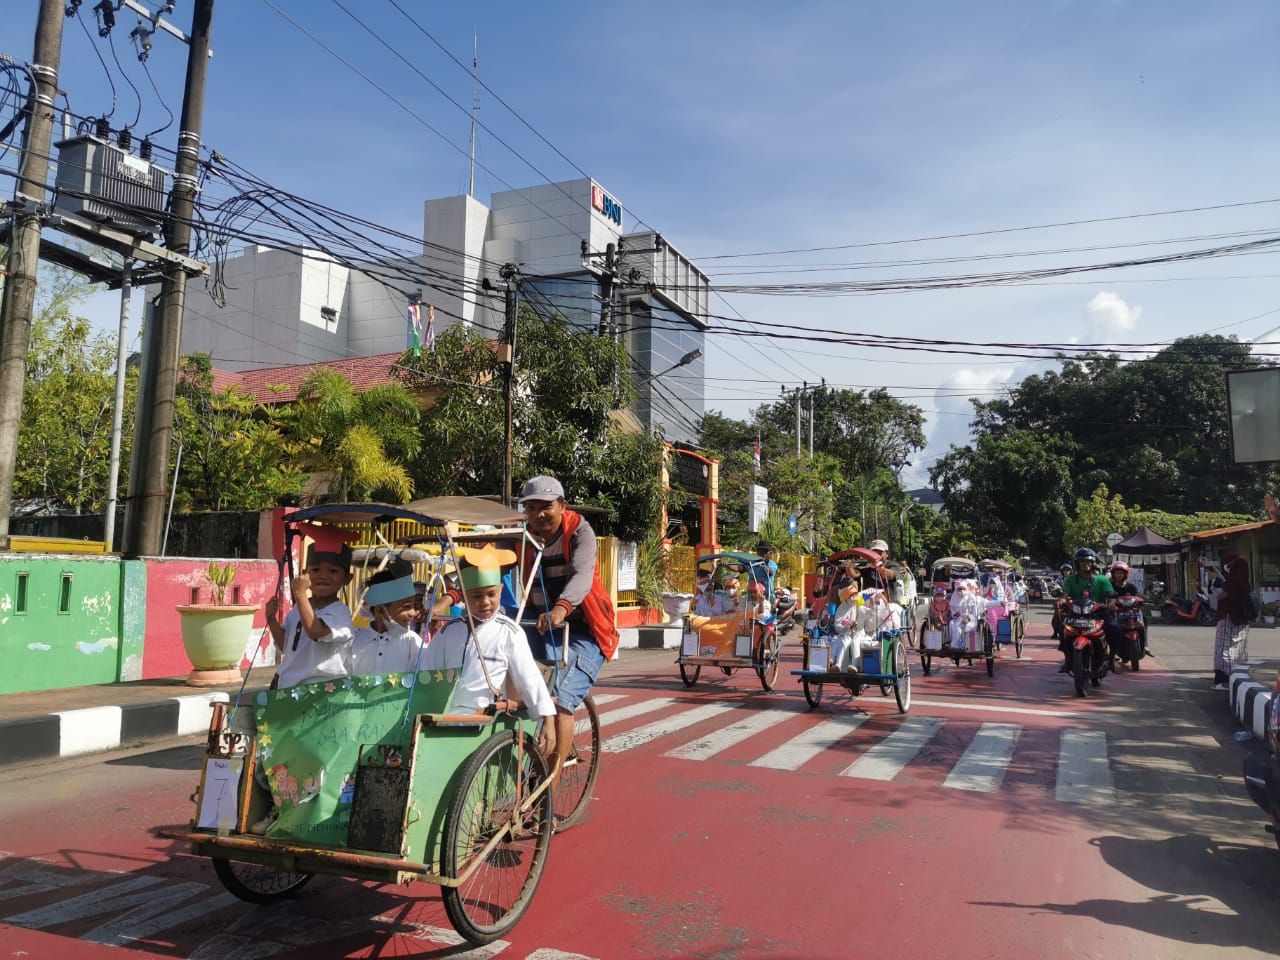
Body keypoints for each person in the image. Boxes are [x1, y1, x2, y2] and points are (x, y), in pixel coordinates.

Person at [519, 475, 618, 775]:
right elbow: (487, 563)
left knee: (559, 701)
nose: (539, 515)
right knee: (511, 686)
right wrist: (452, 596)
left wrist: (562, 607)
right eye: (531, 508)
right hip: (540, 626)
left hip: (584, 632)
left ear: (561, 505)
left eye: (546, 507)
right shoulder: (522, 536)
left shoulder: (579, 533)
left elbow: (582, 574)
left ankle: (549, 795)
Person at [422, 545, 556, 756]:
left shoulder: (509, 632)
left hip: (482, 723)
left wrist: (547, 719)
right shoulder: (448, 632)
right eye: (476, 596)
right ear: (464, 596)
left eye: (491, 594)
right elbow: (426, 674)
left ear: (501, 591)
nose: (485, 602)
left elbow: (529, 679)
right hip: (442, 720)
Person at [266, 542, 356, 689]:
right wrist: (271, 620)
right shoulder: (298, 609)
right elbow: (285, 645)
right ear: (304, 574)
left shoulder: (340, 612)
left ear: (347, 579)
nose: (323, 576)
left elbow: (316, 632)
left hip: (319, 689)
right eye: (315, 570)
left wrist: (299, 594)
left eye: (333, 571)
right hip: (287, 685)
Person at [351, 566, 425, 676]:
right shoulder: (354, 640)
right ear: (380, 610)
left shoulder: (413, 642)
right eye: (406, 606)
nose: (413, 613)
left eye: (413, 606)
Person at [1055, 547, 1115, 672]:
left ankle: (1111, 658)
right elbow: (1064, 596)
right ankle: (1067, 659)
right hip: (1076, 615)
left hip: (1098, 614)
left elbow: (1110, 595)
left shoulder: (1102, 579)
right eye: (1082, 562)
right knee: (1062, 628)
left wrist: (1111, 604)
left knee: (1115, 628)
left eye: (1088, 562)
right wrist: (1060, 601)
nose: (1086, 564)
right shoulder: (1071, 580)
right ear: (1077, 564)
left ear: (1093, 563)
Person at [1212, 550, 1252, 689]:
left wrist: (1215, 582)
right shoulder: (1245, 583)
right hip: (1242, 619)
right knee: (1239, 648)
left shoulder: (1231, 582)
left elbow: (1220, 595)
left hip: (1229, 617)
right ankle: (1238, 679)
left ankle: (1223, 680)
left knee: (1223, 647)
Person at [1103, 560, 1145, 662]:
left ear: (1125, 574)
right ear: (1113, 574)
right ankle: (1107, 650)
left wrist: (1142, 600)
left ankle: (1145, 645)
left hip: (1131, 612)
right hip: (1116, 612)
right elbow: (1106, 596)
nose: (1119, 575)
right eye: (1117, 573)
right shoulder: (1110, 585)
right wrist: (1110, 603)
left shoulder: (1131, 586)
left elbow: (1138, 596)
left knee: (1145, 620)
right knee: (1109, 625)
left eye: (1121, 573)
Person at [1050, 562, 1074, 640]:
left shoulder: (1074, 579)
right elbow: (1055, 585)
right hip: (1062, 598)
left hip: (1073, 599)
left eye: (1068, 570)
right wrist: (1056, 590)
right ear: (1062, 571)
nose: (1066, 571)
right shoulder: (1059, 579)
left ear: (1071, 571)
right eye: (1064, 570)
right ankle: (1055, 631)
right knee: (1056, 608)